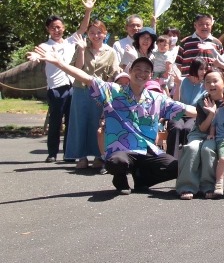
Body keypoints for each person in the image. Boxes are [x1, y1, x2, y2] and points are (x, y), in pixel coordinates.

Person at [29, 49, 196, 194]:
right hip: (121, 150)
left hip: (147, 150)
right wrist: (59, 63)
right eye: (137, 68)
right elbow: (87, 78)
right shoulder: (113, 91)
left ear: (151, 75)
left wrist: (213, 113)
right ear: (130, 71)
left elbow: (186, 109)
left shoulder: (157, 98)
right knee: (117, 162)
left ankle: (142, 179)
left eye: (146, 70)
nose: (142, 73)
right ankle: (120, 178)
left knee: (176, 167)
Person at [30, 0, 95, 162]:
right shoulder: (46, 46)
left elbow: (83, 28)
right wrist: (34, 57)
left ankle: (68, 153)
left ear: (63, 28)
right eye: (53, 28)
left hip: (72, 86)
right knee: (56, 121)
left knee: (71, 122)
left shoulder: (69, 42)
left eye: (59, 27)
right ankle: (52, 153)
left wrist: (88, 10)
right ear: (48, 30)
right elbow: (37, 54)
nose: (56, 30)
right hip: (56, 88)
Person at [66, 19, 120, 169]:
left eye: (99, 32)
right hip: (81, 89)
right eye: (92, 33)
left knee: (98, 123)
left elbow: (112, 74)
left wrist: (105, 94)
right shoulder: (82, 48)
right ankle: (81, 157)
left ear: (105, 34)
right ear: (88, 35)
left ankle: (99, 156)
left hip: (100, 91)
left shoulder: (111, 52)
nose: (96, 36)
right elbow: (77, 70)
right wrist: (82, 50)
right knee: (79, 122)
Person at [175, 70, 224, 200]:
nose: (211, 84)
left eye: (215, 81)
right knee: (192, 148)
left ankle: (208, 186)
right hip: (199, 132)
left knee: (207, 149)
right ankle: (186, 186)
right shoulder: (203, 101)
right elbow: (202, 128)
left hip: (219, 135)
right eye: (207, 82)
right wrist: (211, 114)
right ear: (204, 85)